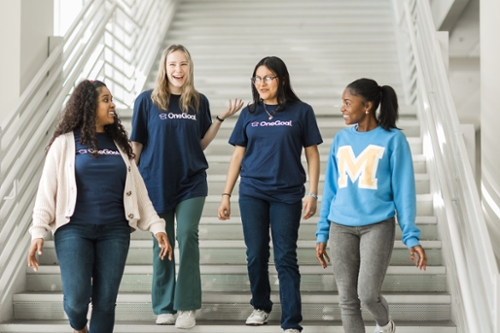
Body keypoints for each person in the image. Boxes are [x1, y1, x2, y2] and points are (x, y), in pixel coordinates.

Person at [27, 79, 172, 333]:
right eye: (106, 100)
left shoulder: (120, 146)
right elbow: (46, 190)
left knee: (105, 302)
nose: (112, 104)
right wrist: (38, 230)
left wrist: (157, 227)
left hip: (114, 230)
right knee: (76, 300)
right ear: (89, 106)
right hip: (73, 229)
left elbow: (139, 192)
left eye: (111, 99)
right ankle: (79, 326)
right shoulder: (64, 143)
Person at [130, 44, 244, 329]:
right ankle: (164, 306)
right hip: (155, 180)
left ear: (189, 67)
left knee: (188, 236)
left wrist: (219, 120)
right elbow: (137, 143)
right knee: (162, 242)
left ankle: (187, 307)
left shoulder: (198, 101)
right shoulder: (146, 101)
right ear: (164, 68)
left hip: (191, 180)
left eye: (183, 64)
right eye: (172, 65)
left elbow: (200, 143)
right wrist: (130, 179)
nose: (178, 70)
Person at [217, 56, 322, 333]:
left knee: (285, 256)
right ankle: (261, 306)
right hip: (252, 191)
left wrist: (313, 192)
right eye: (257, 78)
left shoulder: (301, 111)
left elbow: (312, 154)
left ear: (282, 80)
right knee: (256, 254)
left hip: (287, 194)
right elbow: (237, 155)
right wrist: (226, 194)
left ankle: (291, 321)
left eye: (268, 78)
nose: (261, 83)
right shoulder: (249, 113)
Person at [315, 78, 428, 333]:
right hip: (340, 226)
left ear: (367, 106)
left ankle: (385, 324)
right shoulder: (341, 139)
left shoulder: (393, 139)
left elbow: (404, 191)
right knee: (347, 300)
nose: (342, 108)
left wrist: (411, 236)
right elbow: (330, 189)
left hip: (377, 226)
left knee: (367, 294)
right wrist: (322, 231)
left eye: (347, 102)